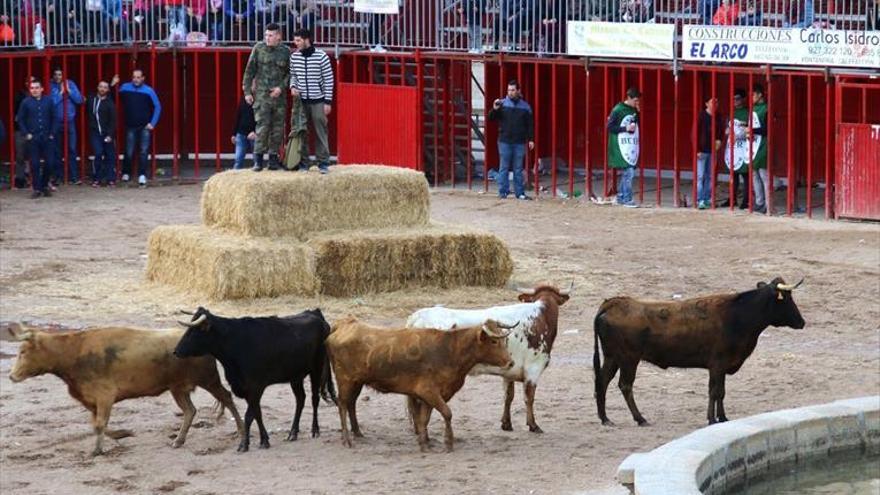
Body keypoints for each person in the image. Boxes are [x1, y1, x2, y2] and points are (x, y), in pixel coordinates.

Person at [242, 22, 290, 171]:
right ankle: (258, 160)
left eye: (270, 35)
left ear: (278, 36)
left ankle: (273, 159)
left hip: (279, 98)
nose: (267, 38)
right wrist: (247, 92)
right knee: (262, 128)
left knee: (277, 130)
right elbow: (249, 72)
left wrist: (281, 88)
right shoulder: (258, 49)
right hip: (262, 96)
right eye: (266, 35)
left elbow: (290, 74)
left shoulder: (285, 51)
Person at [289, 27, 334, 173]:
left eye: (298, 40)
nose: (295, 43)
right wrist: (293, 86)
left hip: (318, 100)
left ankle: (323, 163)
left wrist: (327, 101)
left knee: (321, 131)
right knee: (302, 132)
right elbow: (293, 75)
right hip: (301, 101)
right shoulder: (294, 57)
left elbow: (328, 80)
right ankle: (304, 163)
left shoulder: (322, 56)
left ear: (306, 39)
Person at [487, 80, 534, 200]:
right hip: (504, 141)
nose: (510, 93)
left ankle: (520, 193)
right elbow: (491, 118)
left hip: (519, 142)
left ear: (518, 91)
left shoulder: (525, 107)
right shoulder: (501, 104)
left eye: (513, 90)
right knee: (504, 168)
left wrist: (531, 139)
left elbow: (529, 125)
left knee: (518, 168)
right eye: (509, 90)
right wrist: (494, 109)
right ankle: (503, 192)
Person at [16, 79, 57, 198]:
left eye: (37, 87)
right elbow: (21, 119)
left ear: (42, 89)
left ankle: (44, 185)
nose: (34, 90)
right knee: (34, 164)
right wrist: (26, 133)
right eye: (32, 88)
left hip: (47, 136)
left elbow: (55, 117)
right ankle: (37, 188)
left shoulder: (49, 101)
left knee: (50, 163)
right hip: (33, 138)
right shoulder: (25, 102)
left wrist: (52, 133)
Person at [119, 69, 161, 187]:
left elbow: (158, 106)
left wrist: (152, 123)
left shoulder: (149, 91)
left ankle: (142, 174)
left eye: (138, 77)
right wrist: (113, 84)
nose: (136, 79)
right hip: (130, 125)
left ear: (143, 78)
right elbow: (113, 96)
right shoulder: (124, 88)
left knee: (143, 151)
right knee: (129, 151)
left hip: (144, 126)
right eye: (134, 77)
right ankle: (126, 172)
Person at [606, 87, 640, 207]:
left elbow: (634, 127)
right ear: (629, 98)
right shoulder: (618, 109)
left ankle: (621, 197)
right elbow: (609, 127)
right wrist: (625, 128)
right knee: (629, 172)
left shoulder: (634, 110)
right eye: (635, 100)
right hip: (620, 146)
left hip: (629, 145)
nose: (637, 103)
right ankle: (626, 198)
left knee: (628, 172)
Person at [49, 67, 83, 185]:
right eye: (56, 74)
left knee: (72, 149)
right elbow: (50, 103)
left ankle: (73, 176)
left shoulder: (71, 84)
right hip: (56, 122)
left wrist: (69, 91)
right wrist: (60, 93)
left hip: (70, 121)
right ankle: (58, 176)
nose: (58, 77)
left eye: (60, 74)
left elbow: (79, 100)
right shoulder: (50, 86)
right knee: (56, 150)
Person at [86, 76, 118, 187]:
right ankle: (97, 178)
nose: (102, 89)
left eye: (105, 87)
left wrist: (110, 135)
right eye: (101, 86)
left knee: (110, 155)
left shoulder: (110, 103)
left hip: (107, 133)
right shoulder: (91, 99)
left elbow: (113, 120)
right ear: (97, 87)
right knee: (98, 153)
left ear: (108, 90)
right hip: (95, 132)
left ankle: (110, 179)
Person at [723, 88, 751, 209]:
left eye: (738, 98)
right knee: (733, 175)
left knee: (745, 175)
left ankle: (746, 200)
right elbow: (727, 128)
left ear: (743, 99)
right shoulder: (731, 112)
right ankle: (732, 199)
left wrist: (739, 135)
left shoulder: (748, 113)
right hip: (732, 148)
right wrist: (726, 131)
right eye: (733, 99)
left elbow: (750, 131)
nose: (735, 101)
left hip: (743, 147)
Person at [696, 96, 723, 210]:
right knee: (701, 175)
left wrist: (720, 140)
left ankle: (707, 199)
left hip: (713, 150)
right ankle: (700, 199)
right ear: (706, 103)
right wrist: (697, 149)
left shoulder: (718, 117)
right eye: (712, 102)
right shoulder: (701, 116)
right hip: (702, 150)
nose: (715, 104)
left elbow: (720, 131)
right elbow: (695, 133)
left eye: (716, 102)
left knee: (710, 176)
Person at [749, 84, 769, 214]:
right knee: (755, 174)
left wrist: (751, 130)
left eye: (753, 95)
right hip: (753, 145)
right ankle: (759, 202)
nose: (751, 98)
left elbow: (767, 129)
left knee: (763, 175)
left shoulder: (766, 109)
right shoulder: (753, 109)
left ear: (760, 95)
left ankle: (767, 204)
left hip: (763, 144)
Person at [231, 95, 256, 169]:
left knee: (257, 160)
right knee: (238, 159)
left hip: (254, 134)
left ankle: (258, 177)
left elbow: (262, 120)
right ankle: (235, 177)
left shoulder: (259, 102)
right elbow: (237, 118)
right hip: (241, 133)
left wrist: (255, 132)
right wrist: (234, 134)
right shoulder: (242, 102)